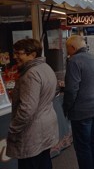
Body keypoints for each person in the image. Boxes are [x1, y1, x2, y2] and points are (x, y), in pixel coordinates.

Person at [6, 39, 59, 169]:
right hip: (45, 128)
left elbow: (26, 110)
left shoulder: (30, 74)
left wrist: (13, 130)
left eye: (19, 53)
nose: (15, 57)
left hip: (32, 133)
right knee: (44, 162)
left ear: (32, 54)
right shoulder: (46, 67)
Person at [63, 35, 94, 169]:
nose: (67, 51)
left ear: (73, 47)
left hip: (82, 111)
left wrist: (66, 107)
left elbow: (71, 89)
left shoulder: (74, 61)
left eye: (67, 48)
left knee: (83, 146)